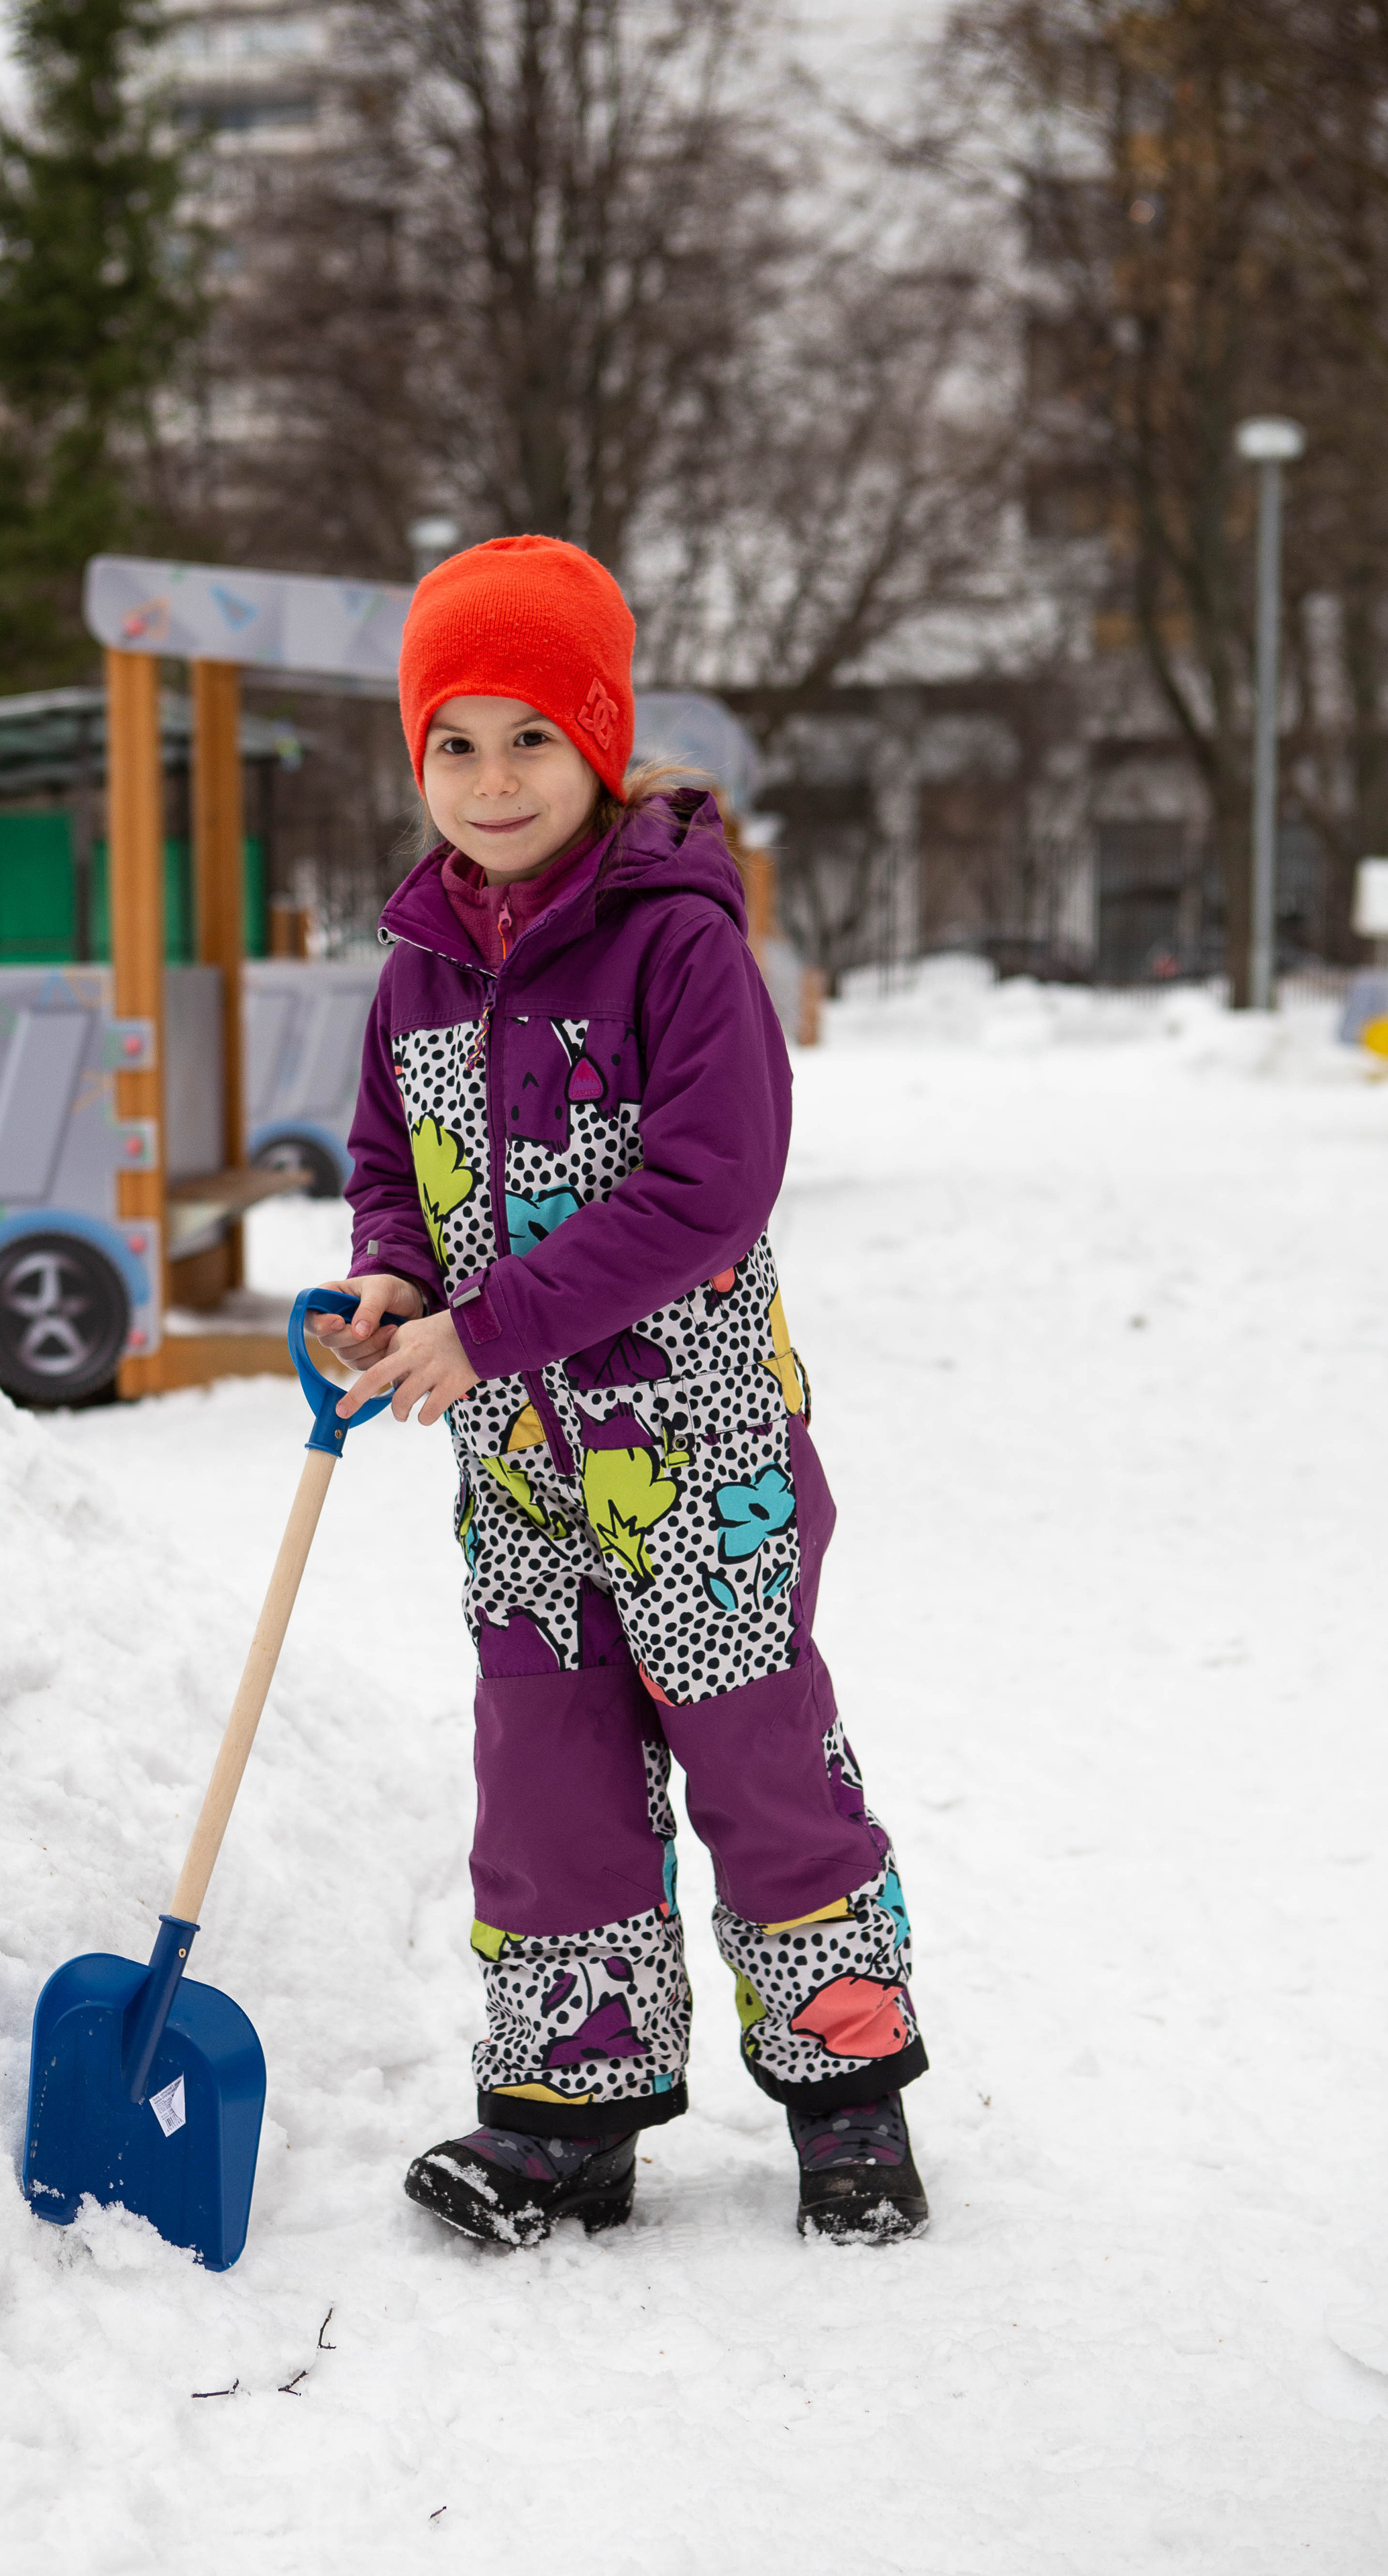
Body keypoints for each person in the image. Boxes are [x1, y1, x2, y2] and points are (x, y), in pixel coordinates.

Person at [314, 535, 928, 2248]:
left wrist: (486, 1324)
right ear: (414, 756)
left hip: (702, 1455)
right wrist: (390, 1277)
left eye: (531, 738)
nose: (491, 780)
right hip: (516, 1477)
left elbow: (705, 1191)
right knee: (546, 1787)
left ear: (600, 744)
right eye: (454, 741)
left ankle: (843, 2096)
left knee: (760, 1773)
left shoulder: (674, 948)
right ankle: (565, 2118)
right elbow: (390, 1165)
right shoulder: (415, 970)